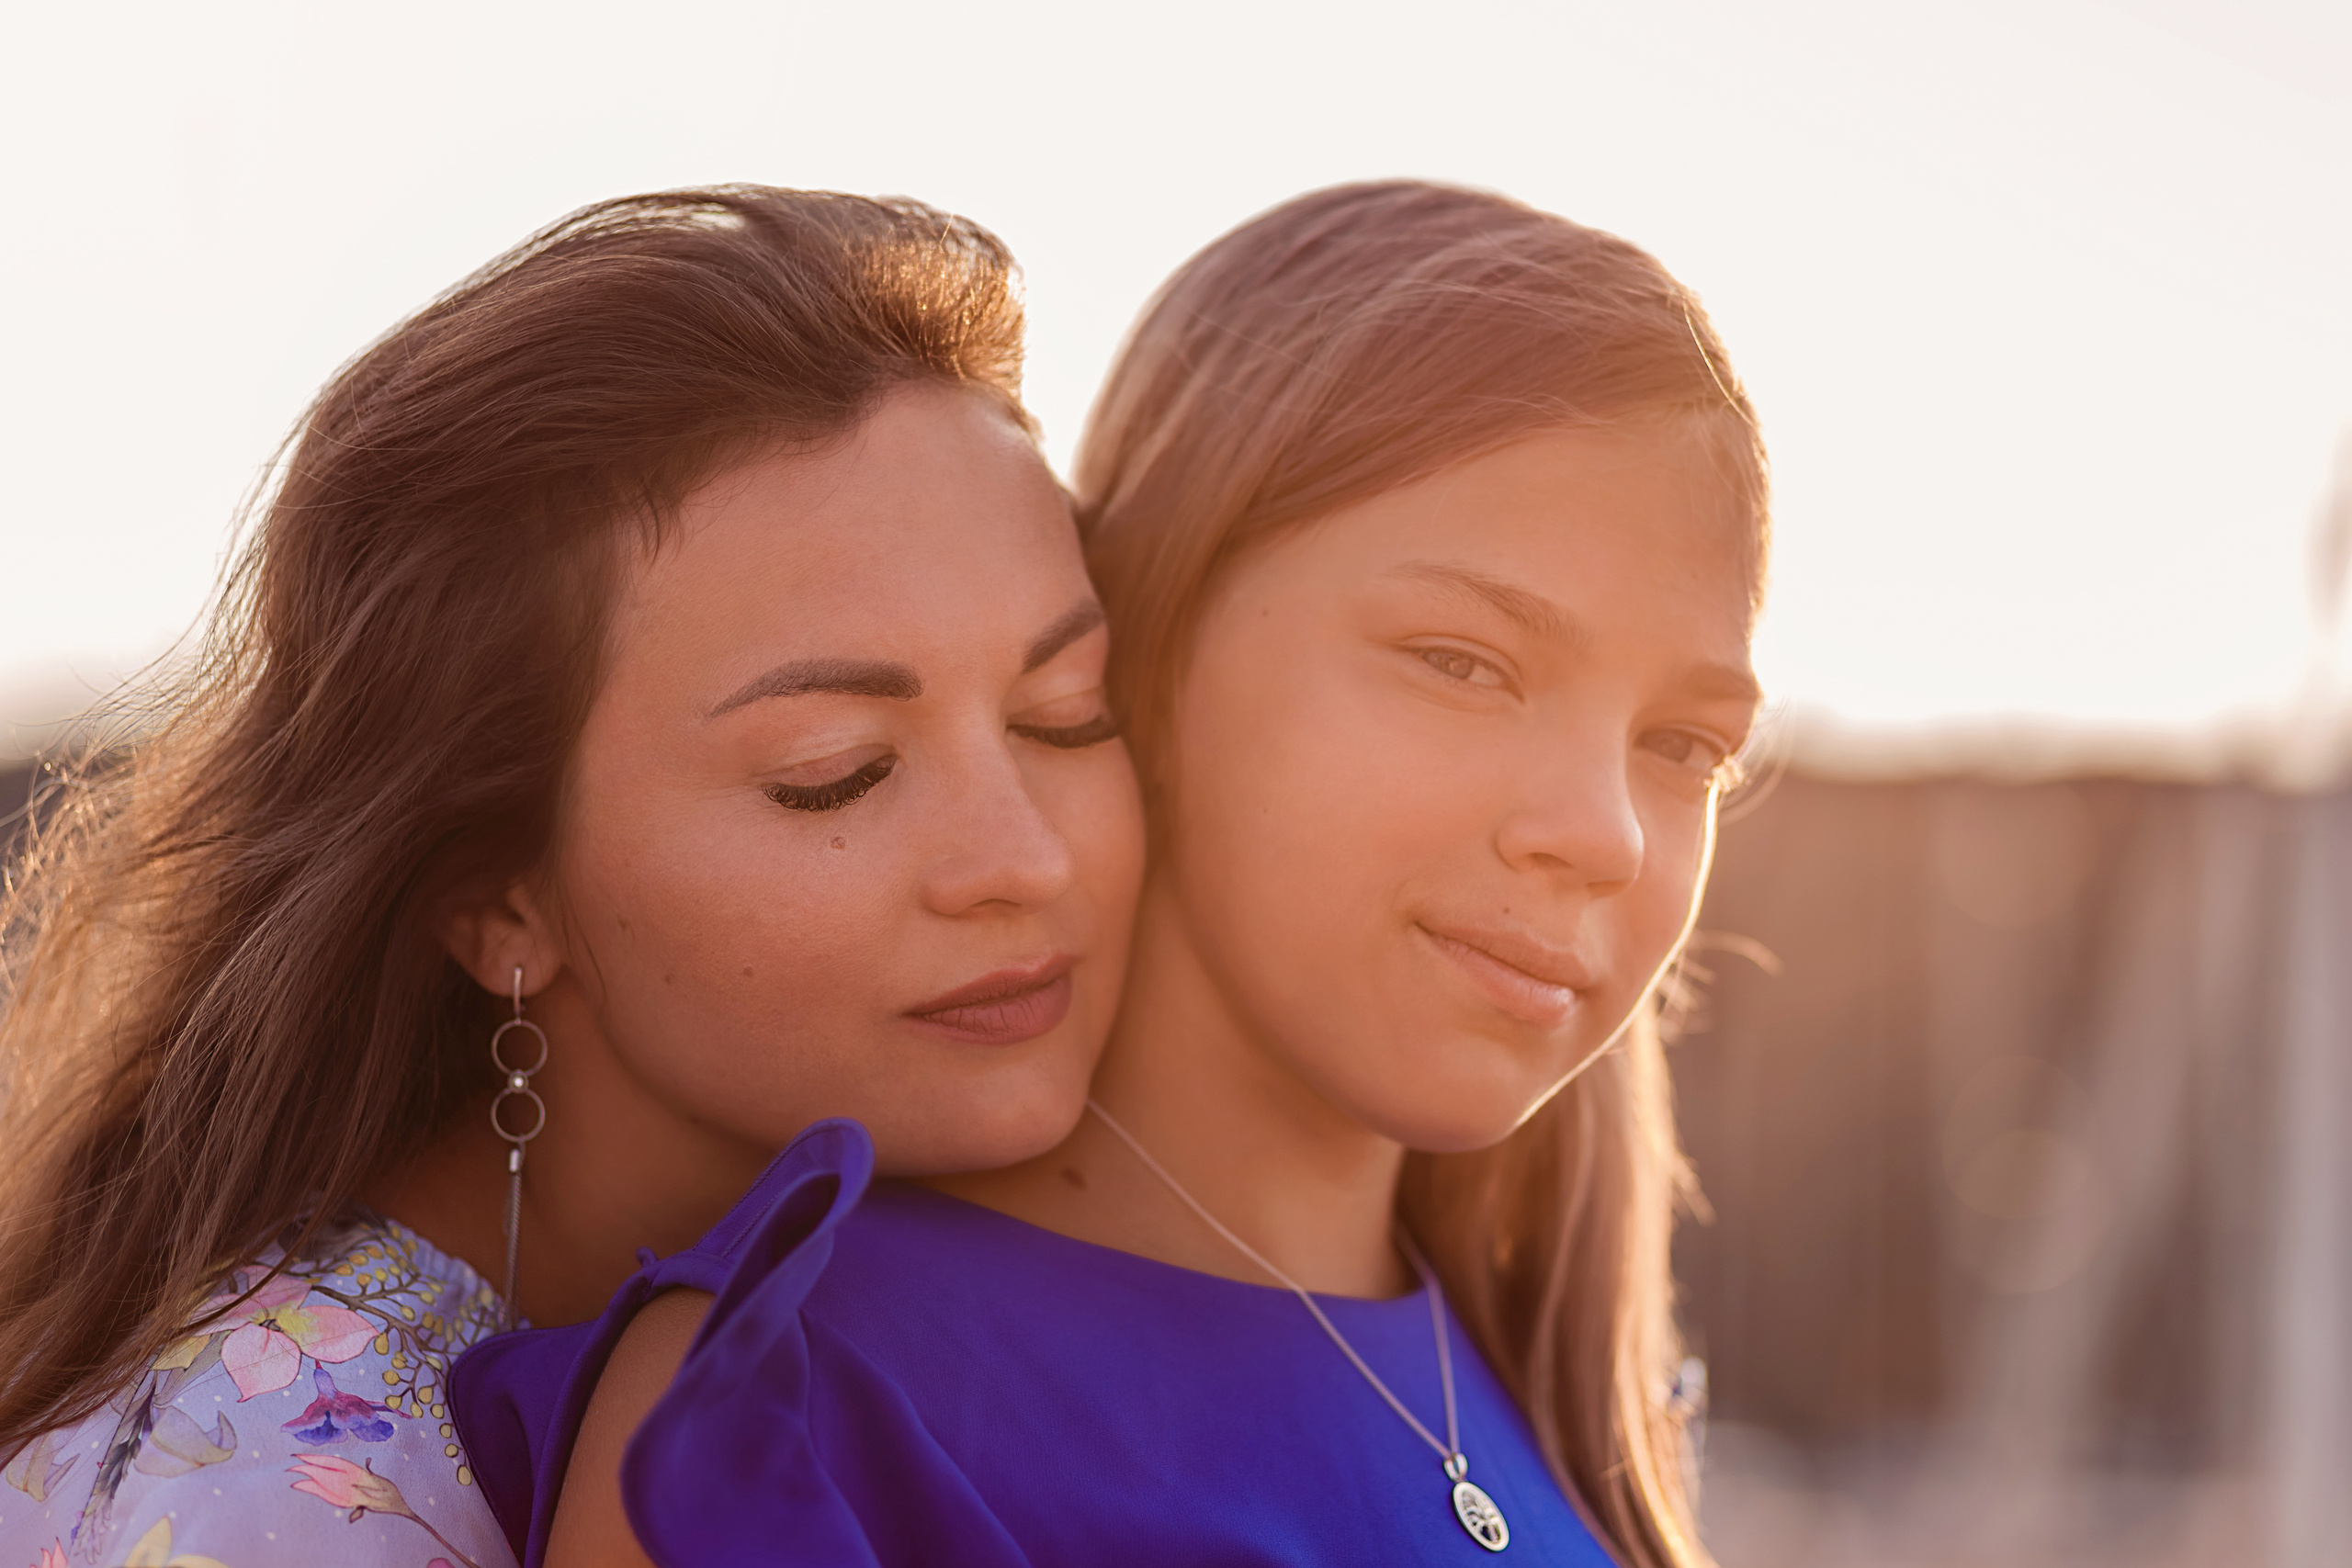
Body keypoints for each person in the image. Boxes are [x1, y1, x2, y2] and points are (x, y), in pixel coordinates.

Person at [502, 179, 1766, 1568]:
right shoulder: (797, 1415)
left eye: (1686, 744)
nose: (1606, 834)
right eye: (1463, 662)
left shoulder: (1568, 1403)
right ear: (1146, 654)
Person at [0, 186, 1144, 1568]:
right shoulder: (277, 1494)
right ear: (500, 899)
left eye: (1070, 712)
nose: (1025, 856)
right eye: (833, 772)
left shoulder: (926, 1319)